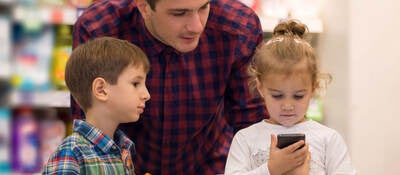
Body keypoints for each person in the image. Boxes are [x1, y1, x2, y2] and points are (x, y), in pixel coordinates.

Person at [72, 0, 268, 174]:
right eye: (179, 13)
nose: (196, 26)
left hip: (209, 164)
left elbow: (251, 124)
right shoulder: (100, 30)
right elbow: (91, 132)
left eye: (203, 7)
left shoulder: (238, 27)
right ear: (144, 7)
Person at [224, 19, 356, 175]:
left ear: (313, 88)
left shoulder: (329, 140)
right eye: (277, 96)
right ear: (261, 88)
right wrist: (271, 169)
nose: (288, 105)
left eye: (298, 96)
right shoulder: (245, 139)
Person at [43, 37, 151, 174]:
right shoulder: (72, 153)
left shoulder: (123, 148)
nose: (147, 95)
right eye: (136, 84)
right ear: (101, 89)